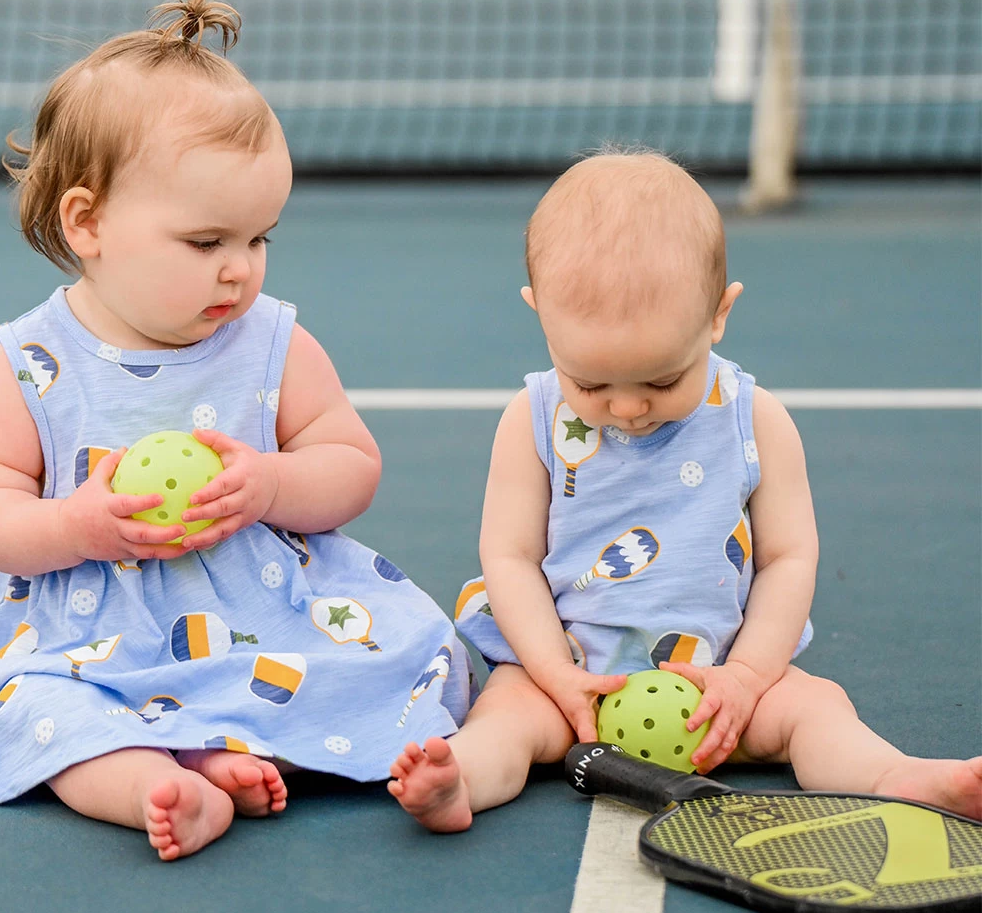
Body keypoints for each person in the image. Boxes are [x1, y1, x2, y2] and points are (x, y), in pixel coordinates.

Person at [0, 0, 475, 860]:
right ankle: (154, 785)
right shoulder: (31, 365)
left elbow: (351, 461)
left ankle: (215, 744)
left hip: (258, 615)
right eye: (207, 243)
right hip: (86, 633)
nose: (241, 269)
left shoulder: (272, 344)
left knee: (392, 662)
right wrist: (70, 526)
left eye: (258, 238)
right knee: (40, 707)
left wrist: (272, 482)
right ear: (88, 223)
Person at [389, 148, 982, 832]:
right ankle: (457, 782)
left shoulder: (756, 421)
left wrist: (750, 678)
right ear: (539, 314)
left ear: (718, 315)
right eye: (591, 384)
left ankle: (898, 778)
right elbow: (510, 557)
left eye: (662, 380)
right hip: (573, 677)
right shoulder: (530, 420)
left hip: (718, 680)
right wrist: (553, 672)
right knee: (507, 719)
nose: (628, 408)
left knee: (816, 708)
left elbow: (788, 558)